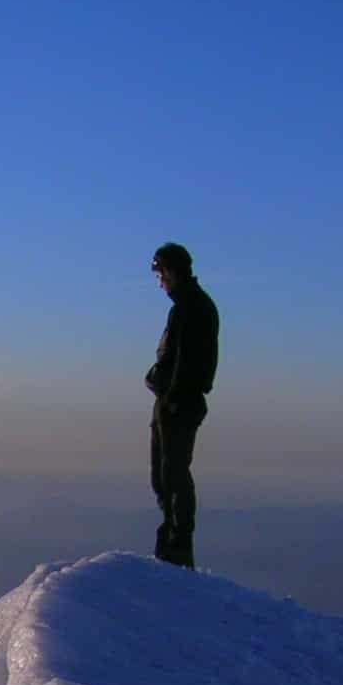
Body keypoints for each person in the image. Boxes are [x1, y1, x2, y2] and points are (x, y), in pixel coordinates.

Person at [145, 242, 219, 570]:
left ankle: (176, 546)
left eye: (160, 273)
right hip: (176, 402)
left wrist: (171, 396)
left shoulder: (191, 307)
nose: (159, 281)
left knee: (172, 474)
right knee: (166, 475)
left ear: (171, 271)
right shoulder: (191, 305)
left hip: (178, 404)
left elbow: (186, 362)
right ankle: (173, 542)